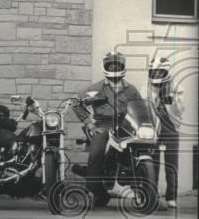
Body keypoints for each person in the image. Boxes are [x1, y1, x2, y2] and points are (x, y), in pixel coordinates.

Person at [72, 51, 143, 206]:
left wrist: (144, 125)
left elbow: (141, 109)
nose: (114, 67)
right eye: (110, 64)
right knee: (96, 153)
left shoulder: (132, 89)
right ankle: (90, 191)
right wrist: (89, 124)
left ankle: (145, 190)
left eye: (117, 64)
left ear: (122, 65)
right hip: (103, 125)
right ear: (105, 66)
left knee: (140, 149)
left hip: (125, 124)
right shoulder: (96, 88)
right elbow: (76, 103)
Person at [148, 57, 180, 210]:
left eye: (161, 72)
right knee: (152, 163)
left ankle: (171, 197)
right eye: (154, 72)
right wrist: (154, 94)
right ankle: (152, 194)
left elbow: (180, 111)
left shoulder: (177, 88)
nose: (157, 75)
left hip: (171, 129)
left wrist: (171, 99)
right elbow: (144, 107)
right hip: (153, 129)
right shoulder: (146, 88)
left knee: (171, 165)